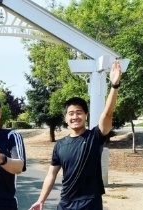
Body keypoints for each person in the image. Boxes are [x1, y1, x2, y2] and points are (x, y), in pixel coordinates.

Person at [29, 60, 122, 210]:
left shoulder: (94, 137)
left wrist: (114, 86)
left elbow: (108, 114)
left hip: (90, 202)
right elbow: (51, 175)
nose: (75, 117)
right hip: (66, 202)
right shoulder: (60, 145)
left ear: (86, 114)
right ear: (66, 118)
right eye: (71, 113)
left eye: (79, 112)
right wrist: (41, 200)